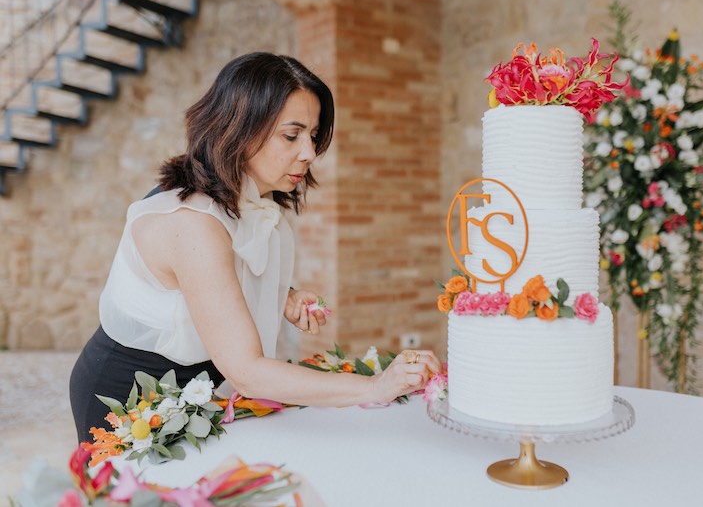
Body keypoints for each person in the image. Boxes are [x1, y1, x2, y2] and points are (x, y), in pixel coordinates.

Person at [69, 52, 441, 443]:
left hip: (198, 392)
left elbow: (217, 274)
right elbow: (246, 370)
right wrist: (374, 387)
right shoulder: (192, 222)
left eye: (313, 136)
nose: (309, 153)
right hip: (125, 400)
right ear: (240, 128)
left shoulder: (249, 200)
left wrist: (282, 295)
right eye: (291, 135)